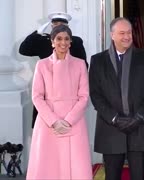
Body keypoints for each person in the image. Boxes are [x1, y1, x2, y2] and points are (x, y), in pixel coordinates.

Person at [89, 17, 144, 180]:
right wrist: (114, 118)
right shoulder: (98, 61)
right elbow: (96, 95)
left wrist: (139, 117)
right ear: (112, 35)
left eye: (129, 32)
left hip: (139, 128)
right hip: (111, 128)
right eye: (122, 33)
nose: (127, 36)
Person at [26, 25, 92, 179]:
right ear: (52, 42)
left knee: (76, 167)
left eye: (66, 39)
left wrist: (68, 121)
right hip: (48, 123)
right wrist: (54, 121)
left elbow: (84, 96)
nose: (63, 42)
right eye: (59, 38)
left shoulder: (80, 64)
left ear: (70, 42)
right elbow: (37, 96)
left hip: (74, 123)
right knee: (49, 167)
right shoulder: (42, 65)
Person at [19, 12, 88, 128]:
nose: (58, 28)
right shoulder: (43, 41)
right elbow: (23, 49)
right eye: (55, 25)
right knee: (44, 132)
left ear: (68, 27)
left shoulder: (75, 42)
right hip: (47, 97)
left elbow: (84, 67)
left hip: (68, 97)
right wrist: (38, 32)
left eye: (62, 25)